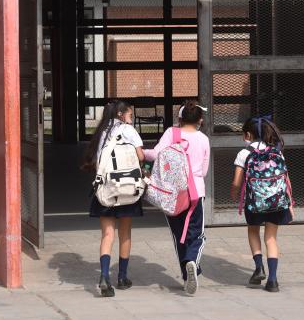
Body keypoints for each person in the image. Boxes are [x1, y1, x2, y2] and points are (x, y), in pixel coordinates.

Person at [143, 100, 210, 295]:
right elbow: (204, 171)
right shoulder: (203, 139)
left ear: (179, 118)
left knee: (178, 235)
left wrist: (141, 152)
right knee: (196, 234)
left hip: (172, 194)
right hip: (195, 192)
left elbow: (155, 154)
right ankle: (192, 263)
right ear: (200, 119)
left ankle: (185, 274)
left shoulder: (171, 133)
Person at [81, 100, 144, 297]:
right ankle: (122, 277)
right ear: (121, 114)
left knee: (107, 235)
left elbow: (98, 159)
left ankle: (105, 276)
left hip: (107, 189)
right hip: (127, 189)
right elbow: (141, 157)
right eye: (130, 115)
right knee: (125, 234)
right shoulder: (129, 130)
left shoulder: (101, 132)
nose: (131, 119)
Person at [230, 115, 293, 293]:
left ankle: (259, 268)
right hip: (276, 202)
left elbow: (236, 181)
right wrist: (290, 203)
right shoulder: (277, 151)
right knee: (271, 238)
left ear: (248, 135)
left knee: (253, 230)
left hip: (254, 202)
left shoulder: (244, 153)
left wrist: (234, 193)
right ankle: (272, 280)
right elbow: (286, 179)